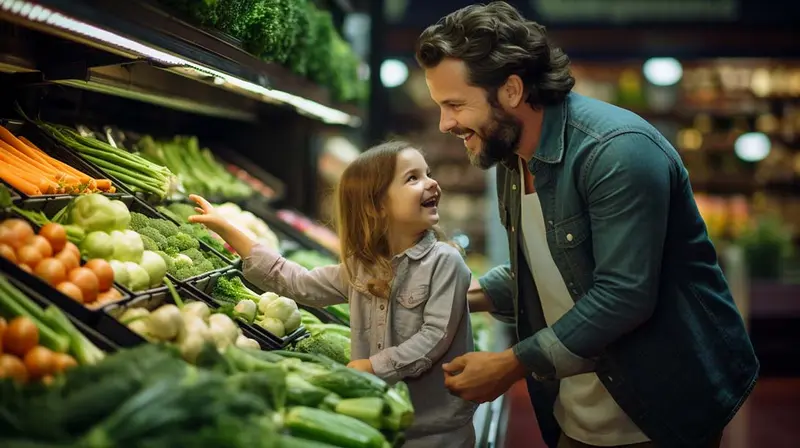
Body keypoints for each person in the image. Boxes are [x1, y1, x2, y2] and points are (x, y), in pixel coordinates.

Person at [415, 2, 759, 448]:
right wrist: (444, 295)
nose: (445, 123)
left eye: (455, 105)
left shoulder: (617, 152)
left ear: (512, 90)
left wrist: (510, 363)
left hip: (661, 412)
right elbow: (543, 270)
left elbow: (624, 294)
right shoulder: (511, 155)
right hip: (578, 412)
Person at [188, 141, 477, 447]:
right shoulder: (362, 270)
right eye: (412, 178)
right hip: (377, 416)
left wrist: (373, 367)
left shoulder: (445, 262)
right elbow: (298, 282)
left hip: (437, 428)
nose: (431, 182)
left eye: (427, 173)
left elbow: (434, 336)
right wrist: (229, 230)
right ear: (375, 205)